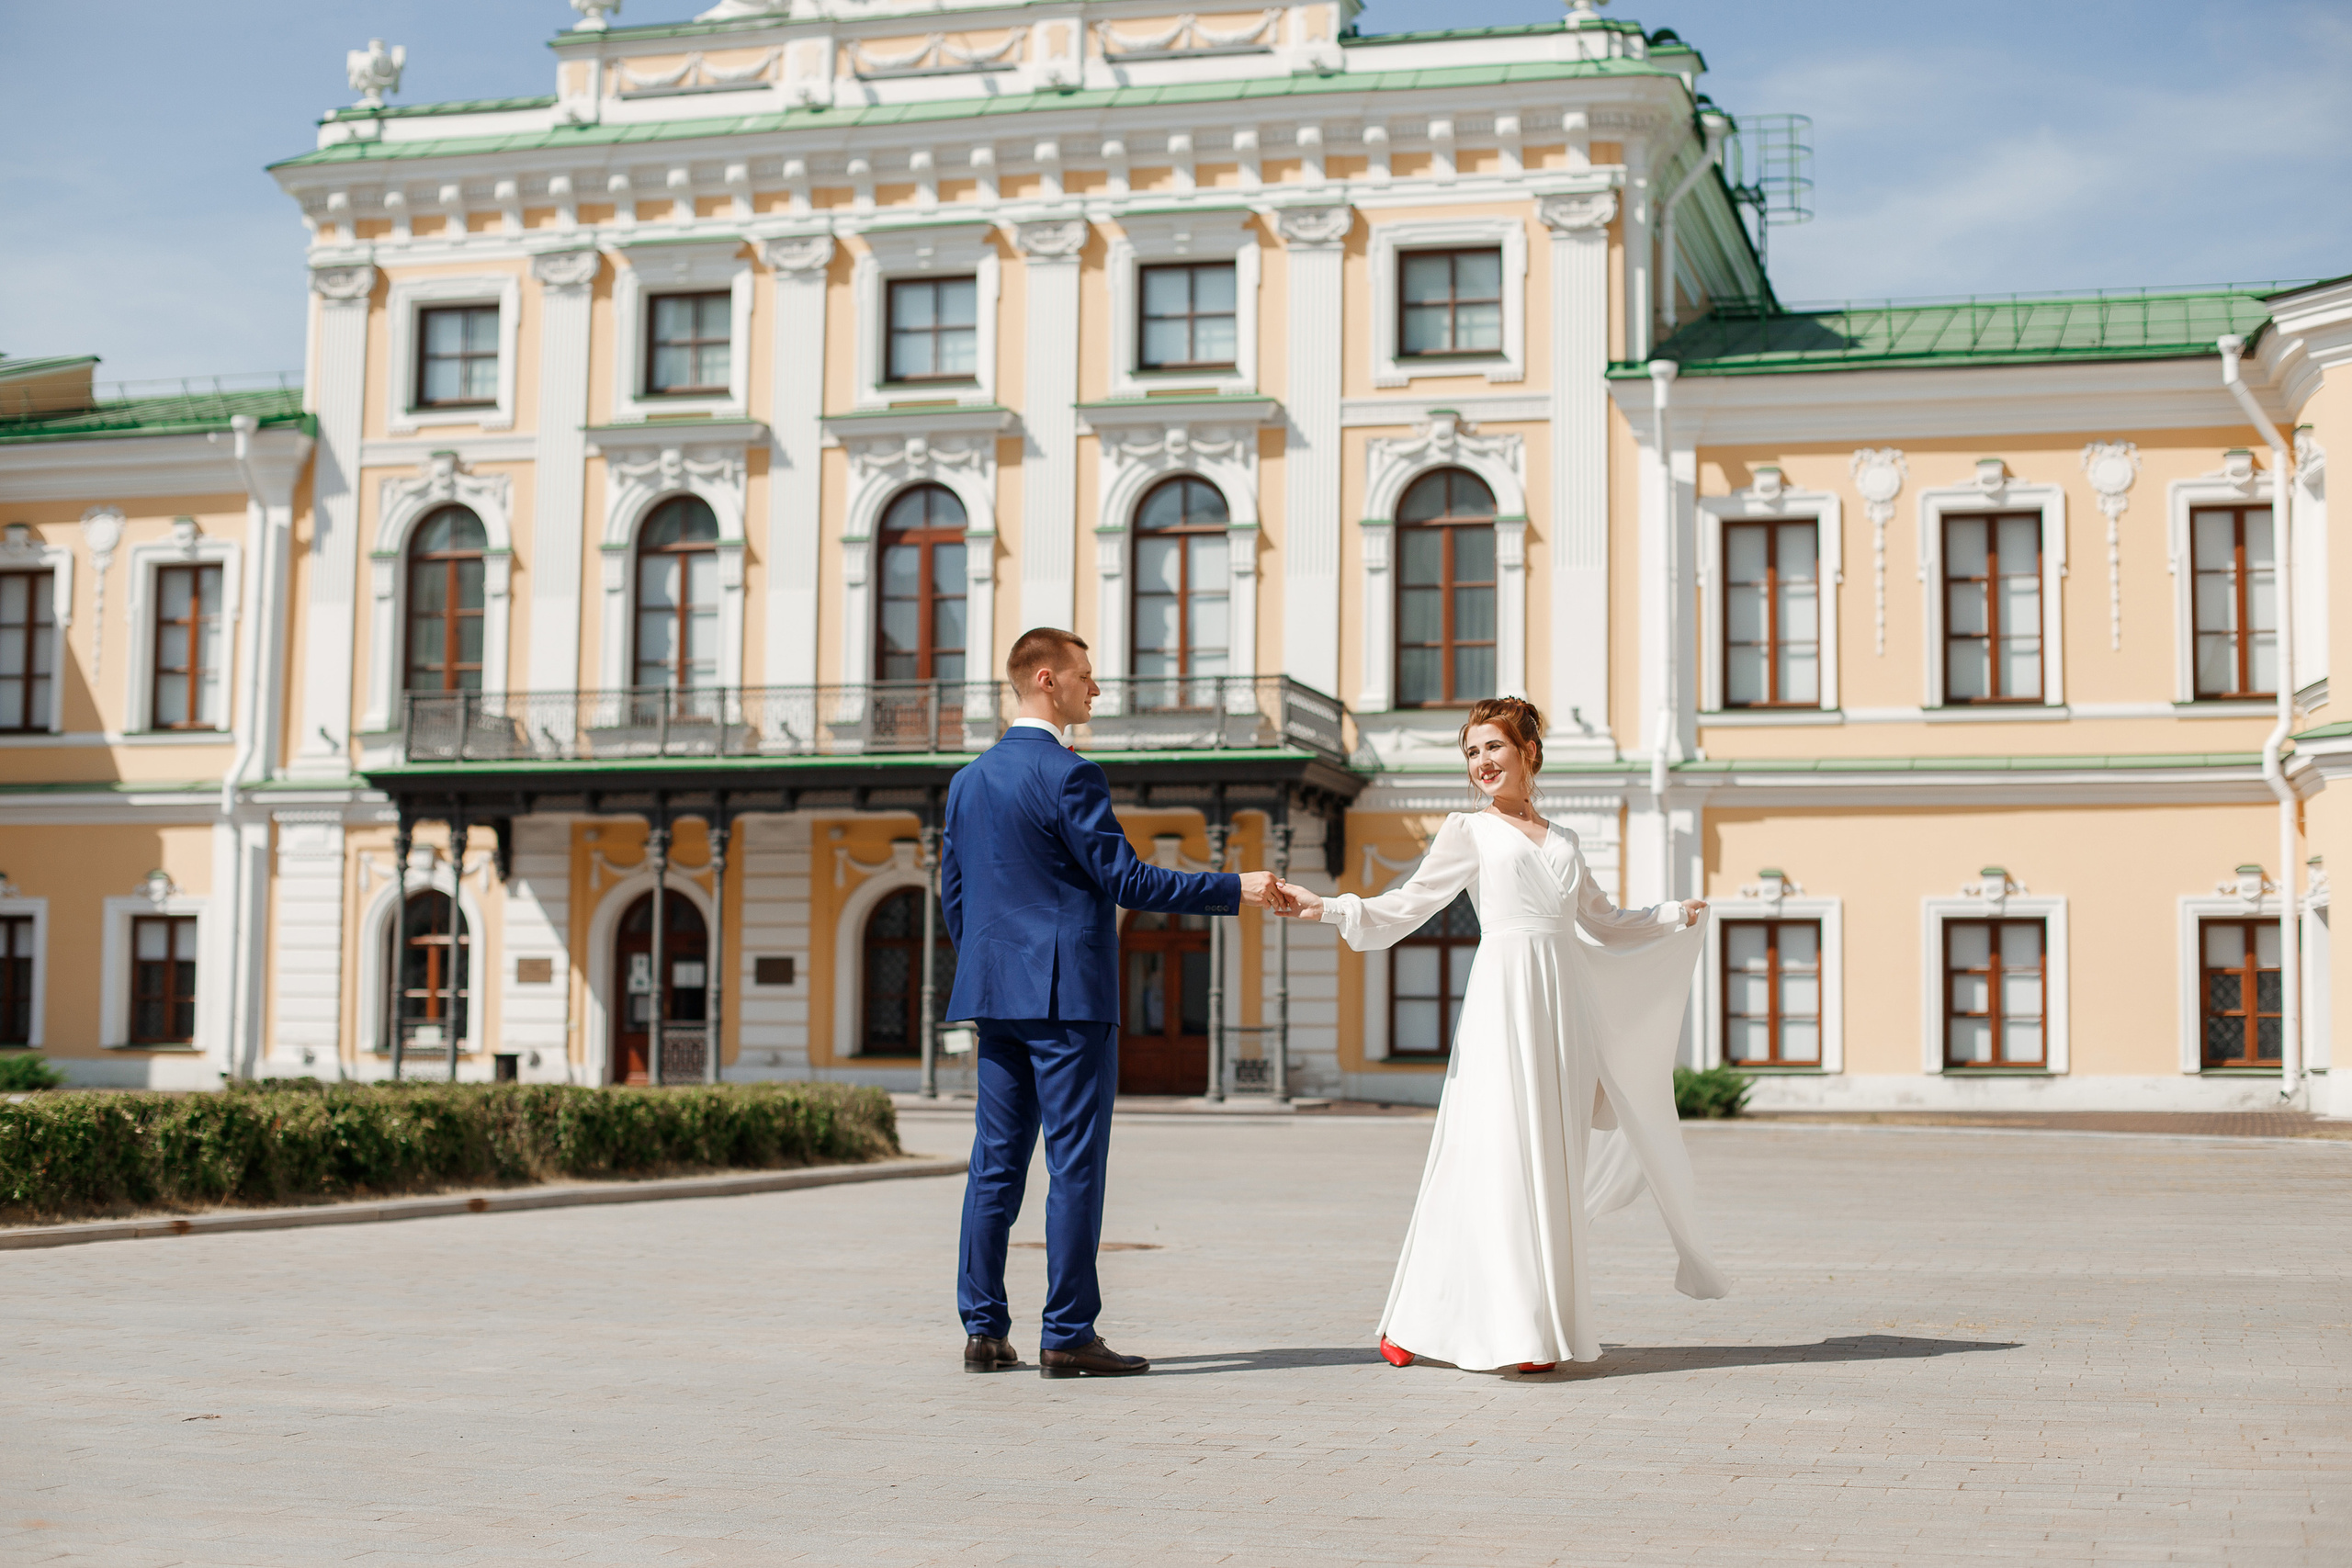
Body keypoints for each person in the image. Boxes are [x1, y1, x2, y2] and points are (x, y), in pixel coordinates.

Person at [1272, 695, 1729, 1373]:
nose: (1482, 762)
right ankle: (1428, 1320)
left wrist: (1670, 915)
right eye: (1472, 751)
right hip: (1501, 1004)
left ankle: (1537, 1323)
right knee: (1489, 1159)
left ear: (1528, 753)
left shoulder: (1568, 841)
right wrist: (1327, 905)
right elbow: (1408, 903)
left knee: (1548, 1163)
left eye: (1495, 747)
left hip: (1562, 1012)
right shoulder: (1468, 831)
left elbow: (1602, 921)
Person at [943, 626, 1296, 1377]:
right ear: (1046, 679)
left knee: (994, 1166)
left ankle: (983, 1329)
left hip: (995, 994)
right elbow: (1128, 881)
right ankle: (1067, 1334)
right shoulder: (1071, 775)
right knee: (1074, 1164)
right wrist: (1237, 886)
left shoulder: (968, 781)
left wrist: (990, 965)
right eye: (1085, 677)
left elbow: (956, 897)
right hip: (1068, 999)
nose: (1095, 690)